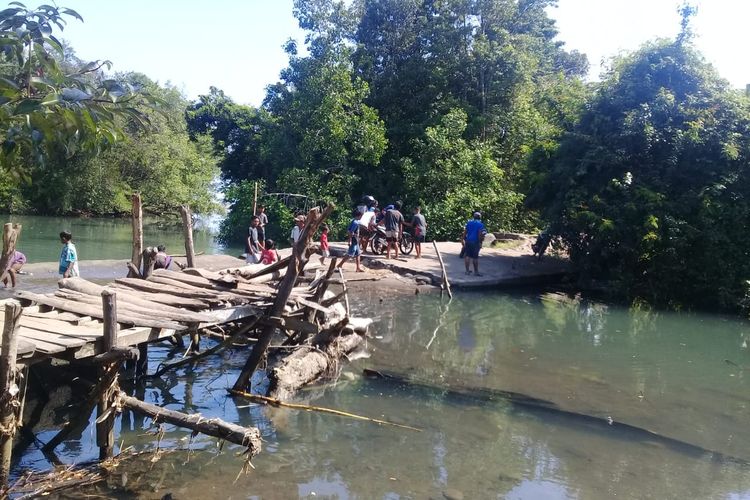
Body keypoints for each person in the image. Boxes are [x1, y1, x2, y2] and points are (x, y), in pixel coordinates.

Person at [462, 212, 487, 276]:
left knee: (467, 256)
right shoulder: (480, 224)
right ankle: (476, 272)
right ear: (480, 217)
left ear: (474, 217)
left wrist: (462, 239)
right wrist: (479, 242)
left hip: (468, 241)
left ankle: (467, 271)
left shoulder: (469, 223)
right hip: (475, 242)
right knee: (475, 257)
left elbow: (465, 232)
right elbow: (479, 234)